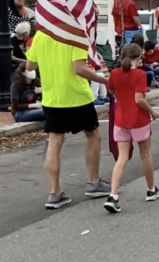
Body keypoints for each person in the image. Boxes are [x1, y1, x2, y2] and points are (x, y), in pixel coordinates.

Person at [26, 32, 111, 209]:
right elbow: (79, 68)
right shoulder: (74, 34)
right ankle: (94, 182)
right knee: (93, 135)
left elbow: (30, 65)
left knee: (54, 142)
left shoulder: (41, 35)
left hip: (52, 97)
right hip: (76, 96)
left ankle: (55, 192)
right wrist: (106, 81)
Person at [103, 43, 159, 213]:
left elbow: (112, 90)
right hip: (138, 118)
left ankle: (113, 195)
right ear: (138, 58)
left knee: (122, 157)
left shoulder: (115, 73)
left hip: (121, 119)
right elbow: (139, 99)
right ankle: (151, 189)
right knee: (145, 154)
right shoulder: (139, 74)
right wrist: (151, 110)